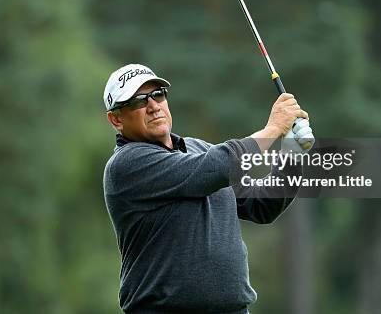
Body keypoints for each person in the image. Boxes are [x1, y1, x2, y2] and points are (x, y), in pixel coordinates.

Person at [103, 63, 313, 314]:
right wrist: (273, 129)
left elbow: (262, 206)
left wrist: (292, 153)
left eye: (158, 94)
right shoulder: (127, 165)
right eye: (138, 101)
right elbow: (222, 165)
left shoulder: (199, 150)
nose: (153, 106)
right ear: (116, 119)